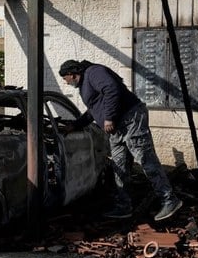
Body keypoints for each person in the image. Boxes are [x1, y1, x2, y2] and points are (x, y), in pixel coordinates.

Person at [58, 59, 182, 221]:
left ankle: (169, 200)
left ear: (72, 74)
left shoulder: (94, 72)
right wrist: (75, 125)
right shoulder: (85, 85)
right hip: (116, 128)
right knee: (119, 166)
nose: (65, 83)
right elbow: (93, 111)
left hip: (130, 119)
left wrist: (108, 118)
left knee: (145, 159)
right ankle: (124, 206)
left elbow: (112, 89)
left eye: (65, 79)